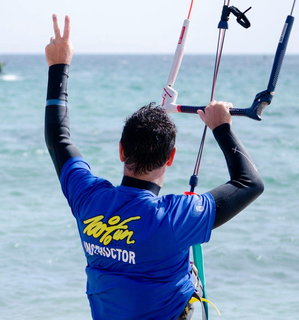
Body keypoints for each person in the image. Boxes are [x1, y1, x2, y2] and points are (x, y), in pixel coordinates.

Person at [44, 14, 264, 320]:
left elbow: (58, 137)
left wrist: (59, 65)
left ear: (121, 150)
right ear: (170, 157)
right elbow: (250, 184)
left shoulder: (88, 198)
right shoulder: (174, 218)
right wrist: (221, 127)